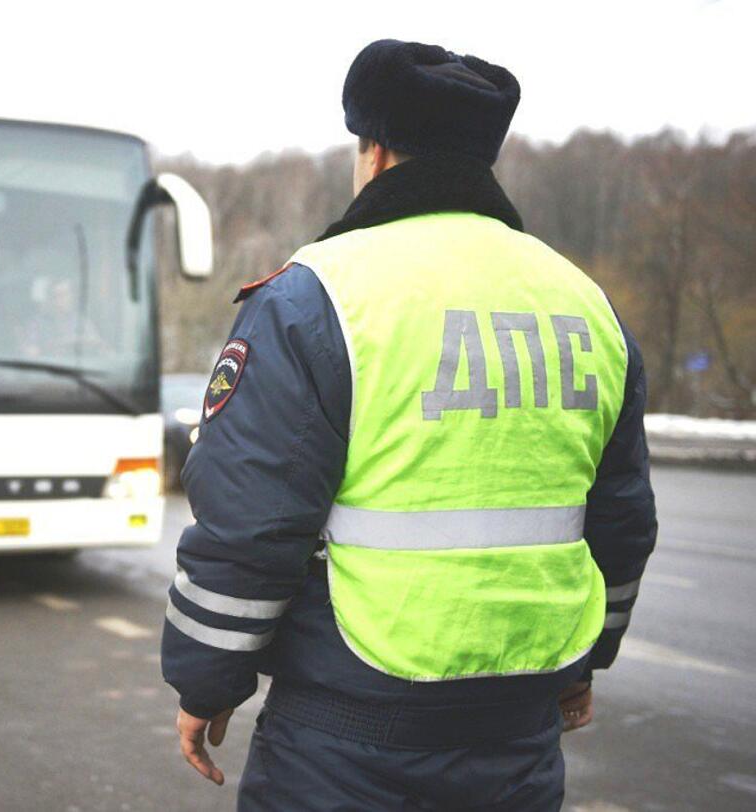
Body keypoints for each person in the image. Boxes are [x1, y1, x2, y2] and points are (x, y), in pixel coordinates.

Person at [161, 39, 657, 811]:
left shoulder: (316, 296)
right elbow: (621, 519)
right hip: (520, 731)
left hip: (349, 735)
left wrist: (207, 681)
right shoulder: (585, 302)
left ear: (375, 152)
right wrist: (583, 665)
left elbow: (250, 518)